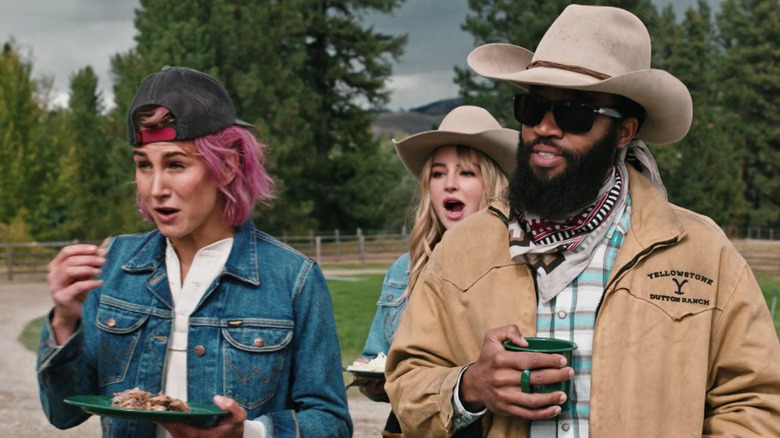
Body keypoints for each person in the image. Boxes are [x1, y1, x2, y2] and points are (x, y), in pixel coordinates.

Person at [385, 5, 780, 438]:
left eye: (575, 113)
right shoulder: (462, 249)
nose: (545, 128)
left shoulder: (702, 252)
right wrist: (469, 387)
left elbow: (757, 402)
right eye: (532, 107)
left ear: (624, 132)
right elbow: (407, 382)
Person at [37, 66, 352, 438]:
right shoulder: (113, 265)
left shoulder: (292, 279)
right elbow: (63, 412)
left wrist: (248, 434)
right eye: (143, 165)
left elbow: (331, 422)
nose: (155, 188)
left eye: (175, 164)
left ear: (228, 165)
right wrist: (64, 321)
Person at [353, 105, 519, 437]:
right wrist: (375, 382)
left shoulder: (517, 265)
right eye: (439, 173)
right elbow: (379, 361)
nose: (450, 185)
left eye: (467, 173)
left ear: (494, 184)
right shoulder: (405, 269)